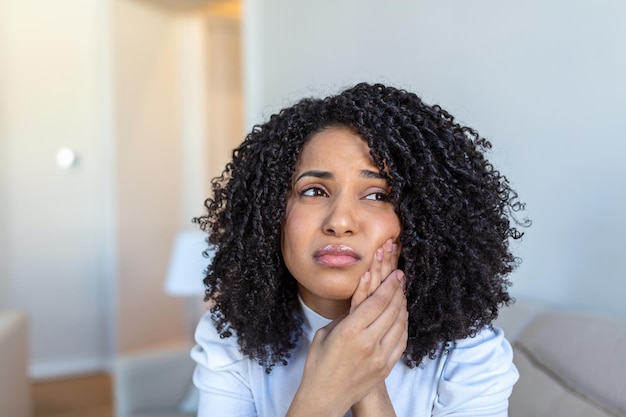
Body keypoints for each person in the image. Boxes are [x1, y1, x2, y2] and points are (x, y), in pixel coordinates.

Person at [191, 82, 527, 417]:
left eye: (378, 195)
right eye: (314, 191)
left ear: (424, 220)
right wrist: (323, 394)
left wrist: (367, 378)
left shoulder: (470, 353)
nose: (339, 221)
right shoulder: (232, 338)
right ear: (272, 214)